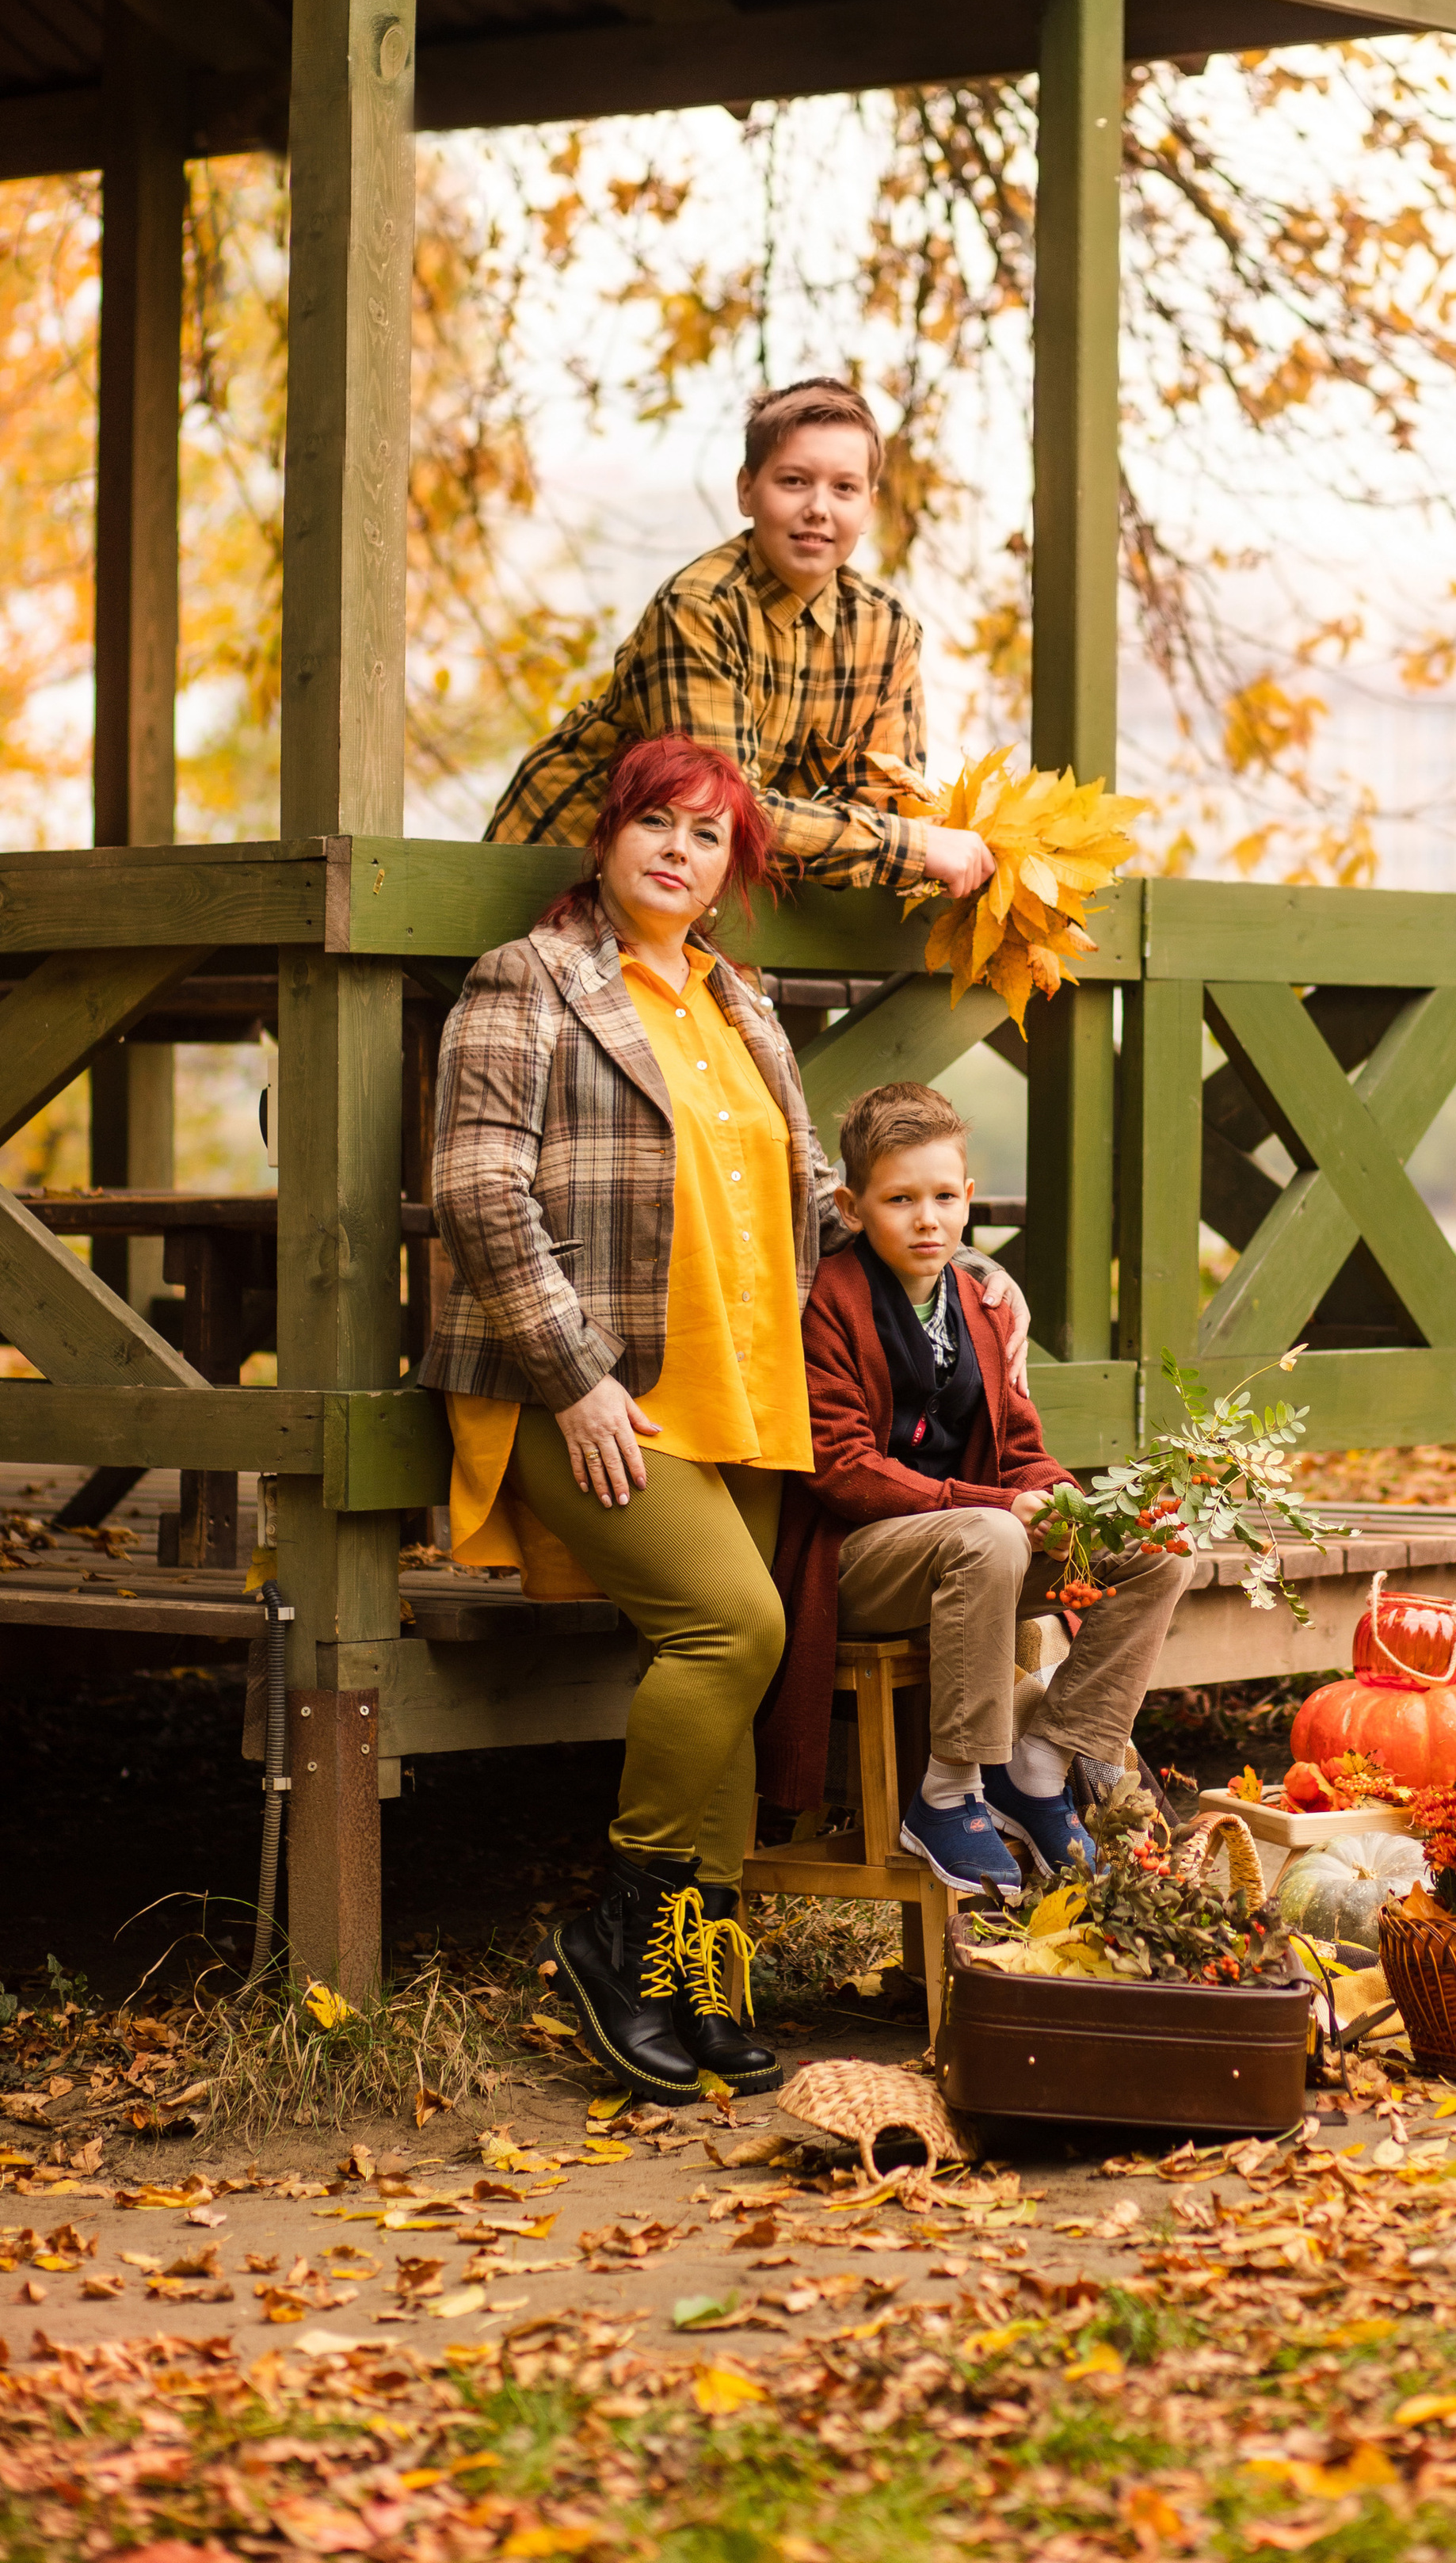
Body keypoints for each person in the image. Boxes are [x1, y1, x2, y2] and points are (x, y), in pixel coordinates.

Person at [418, 738, 1027, 2104]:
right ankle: (619, 1937)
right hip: (584, 1393)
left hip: (739, 1396)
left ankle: (701, 1971)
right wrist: (574, 1377)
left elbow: (820, 1200)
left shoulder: (739, 1003)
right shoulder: (530, 982)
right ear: (609, 837)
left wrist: (966, 1280)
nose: (677, 851)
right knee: (732, 1629)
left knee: (739, 1662)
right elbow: (477, 1193)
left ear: (730, 871)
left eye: (707, 835)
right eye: (655, 822)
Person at [760, 1084, 1189, 1895]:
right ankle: (947, 1792)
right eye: (899, 1200)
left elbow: (1022, 1450)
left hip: (974, 1549)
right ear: (851, 1207)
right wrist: (994, 1504)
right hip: (859, 1561)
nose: (927, 1220)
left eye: (943, 1198)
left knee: (1154, 1551)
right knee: (990, 1535)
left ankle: (1039, 1762)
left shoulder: (983, 1308)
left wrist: (1068, 1504)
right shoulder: (827, 1305)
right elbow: (841, 1470)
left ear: (966, 1201)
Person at [483, 376, 993, 902]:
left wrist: (913, 845)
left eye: (844, 488)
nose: (819, 507)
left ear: (868, 507)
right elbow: (718, 814)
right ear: (746, 490)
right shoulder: (700, 608)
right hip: (560, 871)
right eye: (794, 481)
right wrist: (911, 847)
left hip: (689, 895)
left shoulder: (885, 632)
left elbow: (885, 808)